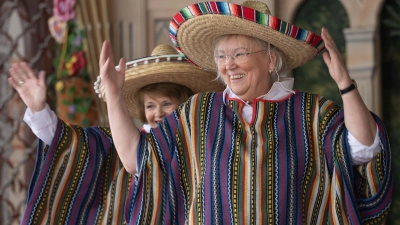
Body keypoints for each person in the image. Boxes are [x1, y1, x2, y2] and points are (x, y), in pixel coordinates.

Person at [98, 1, 392, 224]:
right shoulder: (198, 112)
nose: (229, 65)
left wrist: (344, 84)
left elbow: (365, 148)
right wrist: (113, 95)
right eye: (222, 57)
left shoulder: (311, 114)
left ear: (271, 60)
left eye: (239, 54)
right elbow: (138, 160)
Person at [8, 44, 224, 224]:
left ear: (184, 106)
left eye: (166, 104)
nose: (158, 113)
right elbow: (68, 143)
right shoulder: (115, 144)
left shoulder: (203, 144)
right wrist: (38, 109)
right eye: (150, 105)